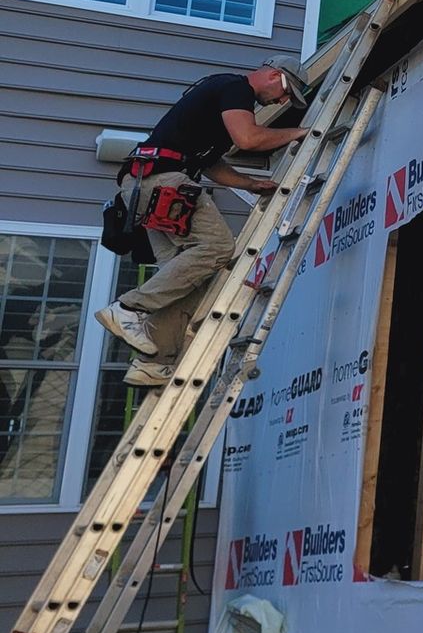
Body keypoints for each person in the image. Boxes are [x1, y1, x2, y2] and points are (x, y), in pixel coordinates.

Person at [95, 59, 310, 387]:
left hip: (146, 184)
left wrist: (249, 184)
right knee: (219, 247)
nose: (281, 102)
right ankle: (128, 308)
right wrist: (300, 133)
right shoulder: (235, 87)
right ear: (273, 74)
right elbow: (249, 138)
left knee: (185, 279)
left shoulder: (218, 102)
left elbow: (209, 162)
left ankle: (154, 362)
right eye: (285, 93)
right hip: (163, 182)